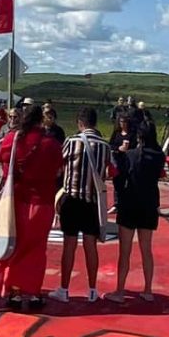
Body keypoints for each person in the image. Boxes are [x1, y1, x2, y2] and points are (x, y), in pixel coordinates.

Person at [0, 101, 64, 310]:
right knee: (37, 250)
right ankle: (34, 293)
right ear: (41, 119)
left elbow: (0, 157)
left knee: (15, 247)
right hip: (43, 203)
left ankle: (15, 292)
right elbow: (58, 170)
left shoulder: (14, 138)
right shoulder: (51, 143)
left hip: (17, 200)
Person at [54, 107, 114, 301]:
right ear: (95, 122)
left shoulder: (71, 142)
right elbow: (111, 171)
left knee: (69, 245)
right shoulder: (104, 146)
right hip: (92, 202)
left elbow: (58, 165)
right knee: (91, 245)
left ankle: (63, 289)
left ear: (80, 123)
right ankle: (92, 290)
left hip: (72, 199)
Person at [111, 111, 164, 300]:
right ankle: (148, 290)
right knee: (146, 249)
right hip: (149, 204)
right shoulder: (159, 156)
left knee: (125, 251)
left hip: (129, 203)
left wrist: (121, 155)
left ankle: (120, 290)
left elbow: (119, 176)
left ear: (139, 136)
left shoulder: (132, 155)